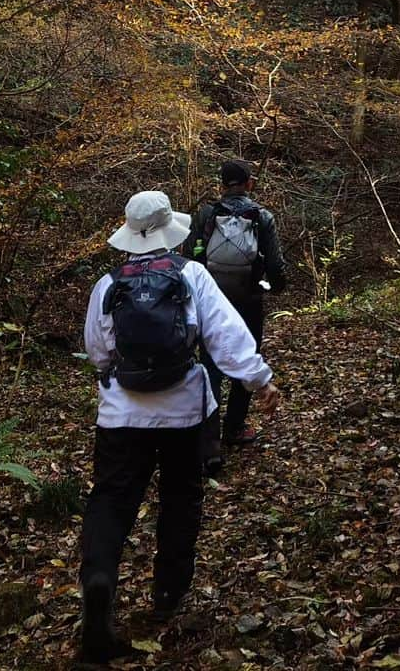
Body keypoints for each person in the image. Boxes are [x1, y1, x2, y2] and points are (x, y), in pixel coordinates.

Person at [79, 189, 280, 664]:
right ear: (170, 229)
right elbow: (226, 336)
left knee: (111, 499)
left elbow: (98, 353)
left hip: (120, 416)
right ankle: (167, 595)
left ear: (128, 233)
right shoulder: (192, 275)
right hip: (184, 413)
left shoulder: (108, 285)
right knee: (180, 497)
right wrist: (260, 382)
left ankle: (100, 581)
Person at [188, 160, 287, 453]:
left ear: (221, 185)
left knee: (210, 365)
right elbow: (274, 264)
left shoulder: (206, 214)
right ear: (249, 183)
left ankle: (209, 439)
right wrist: (277, 286)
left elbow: (189, 258)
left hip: (210, 300)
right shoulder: (261, 216)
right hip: (249, 299)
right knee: (247, 354)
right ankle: (235, 427)